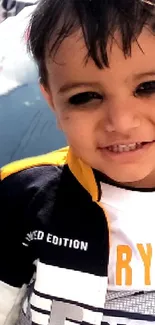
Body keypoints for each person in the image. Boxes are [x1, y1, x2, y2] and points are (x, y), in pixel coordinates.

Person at [1, 0, 155, 324]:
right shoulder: (21, 195)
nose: (121, 122)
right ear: (52, 102)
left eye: (148, 87)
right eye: (85, 97)